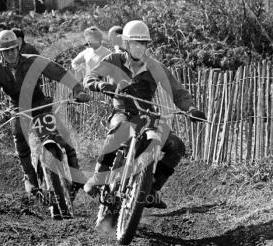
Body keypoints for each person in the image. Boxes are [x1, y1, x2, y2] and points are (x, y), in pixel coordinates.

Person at [83, 20, 206, 209]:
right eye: (134, 43)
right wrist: (99, 85)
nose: (139, 47)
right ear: (126, 43)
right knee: (118, 129)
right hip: (123, 111)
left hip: (147, 117)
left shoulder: (156, 67)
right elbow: (90, 77)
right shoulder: (114, 60)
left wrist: (190, 109)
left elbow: (178, 92)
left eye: (143, 43)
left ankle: (151, 188)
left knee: (177, 146)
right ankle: (98, 176)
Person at [0, 30, 90, 200]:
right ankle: (31, 179)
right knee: (20, 139)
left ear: (18, 47)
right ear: (1, 52)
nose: (11, 53)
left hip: (41, 105)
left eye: (13, 49)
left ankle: (77, 176)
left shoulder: (33, 61)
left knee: (63, 137)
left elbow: (60, 73)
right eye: (6, 51)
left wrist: (78, 89)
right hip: (19, 110)